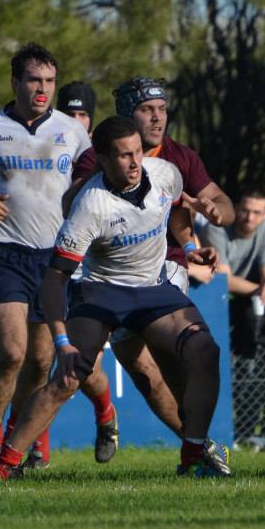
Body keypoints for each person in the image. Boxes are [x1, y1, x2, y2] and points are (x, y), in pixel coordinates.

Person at [0, 116, 230, 481]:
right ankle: (5, 465)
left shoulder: (164, 172)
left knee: (205, 351)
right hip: (101, 292)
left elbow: (175, 207)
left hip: (152, 288)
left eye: (137, 152)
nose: (135, 162)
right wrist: (62, 342)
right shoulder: (90, 205)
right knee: (67, 379)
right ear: (102, 160)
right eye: (123, 156)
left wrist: (191, 247)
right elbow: (54, 279)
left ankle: (194, 455)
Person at [0, 43, 106, 471]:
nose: (42, 89)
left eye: (49, 81)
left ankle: (14, 448)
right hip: (3, 253)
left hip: (54, 259)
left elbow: (94, 175)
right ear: (15, 82)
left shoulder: (72, 131)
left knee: (39, 362)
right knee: (12, 352)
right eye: (34, 80)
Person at [67, 77, 235, 456]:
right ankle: (198, 446)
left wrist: (214, 213)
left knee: (170, 354)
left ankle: (195, 448)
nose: (158, 118)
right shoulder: (101, 156)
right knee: (142, 373)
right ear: (128, 115)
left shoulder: (181, 157)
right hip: (109, 276)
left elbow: (219, 203)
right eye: (147, 110)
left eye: (162, 109)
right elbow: (72, 206)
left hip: (166, 266)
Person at [201, 188, 265, 447]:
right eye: (245, 211)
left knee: (260, 367)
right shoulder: (217, 228)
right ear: (237, 209)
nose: (250, 218)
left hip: (248, 307)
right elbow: (223, 279)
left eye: (256, 213)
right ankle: (228, 432)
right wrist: (264, 289)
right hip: (214, 304)